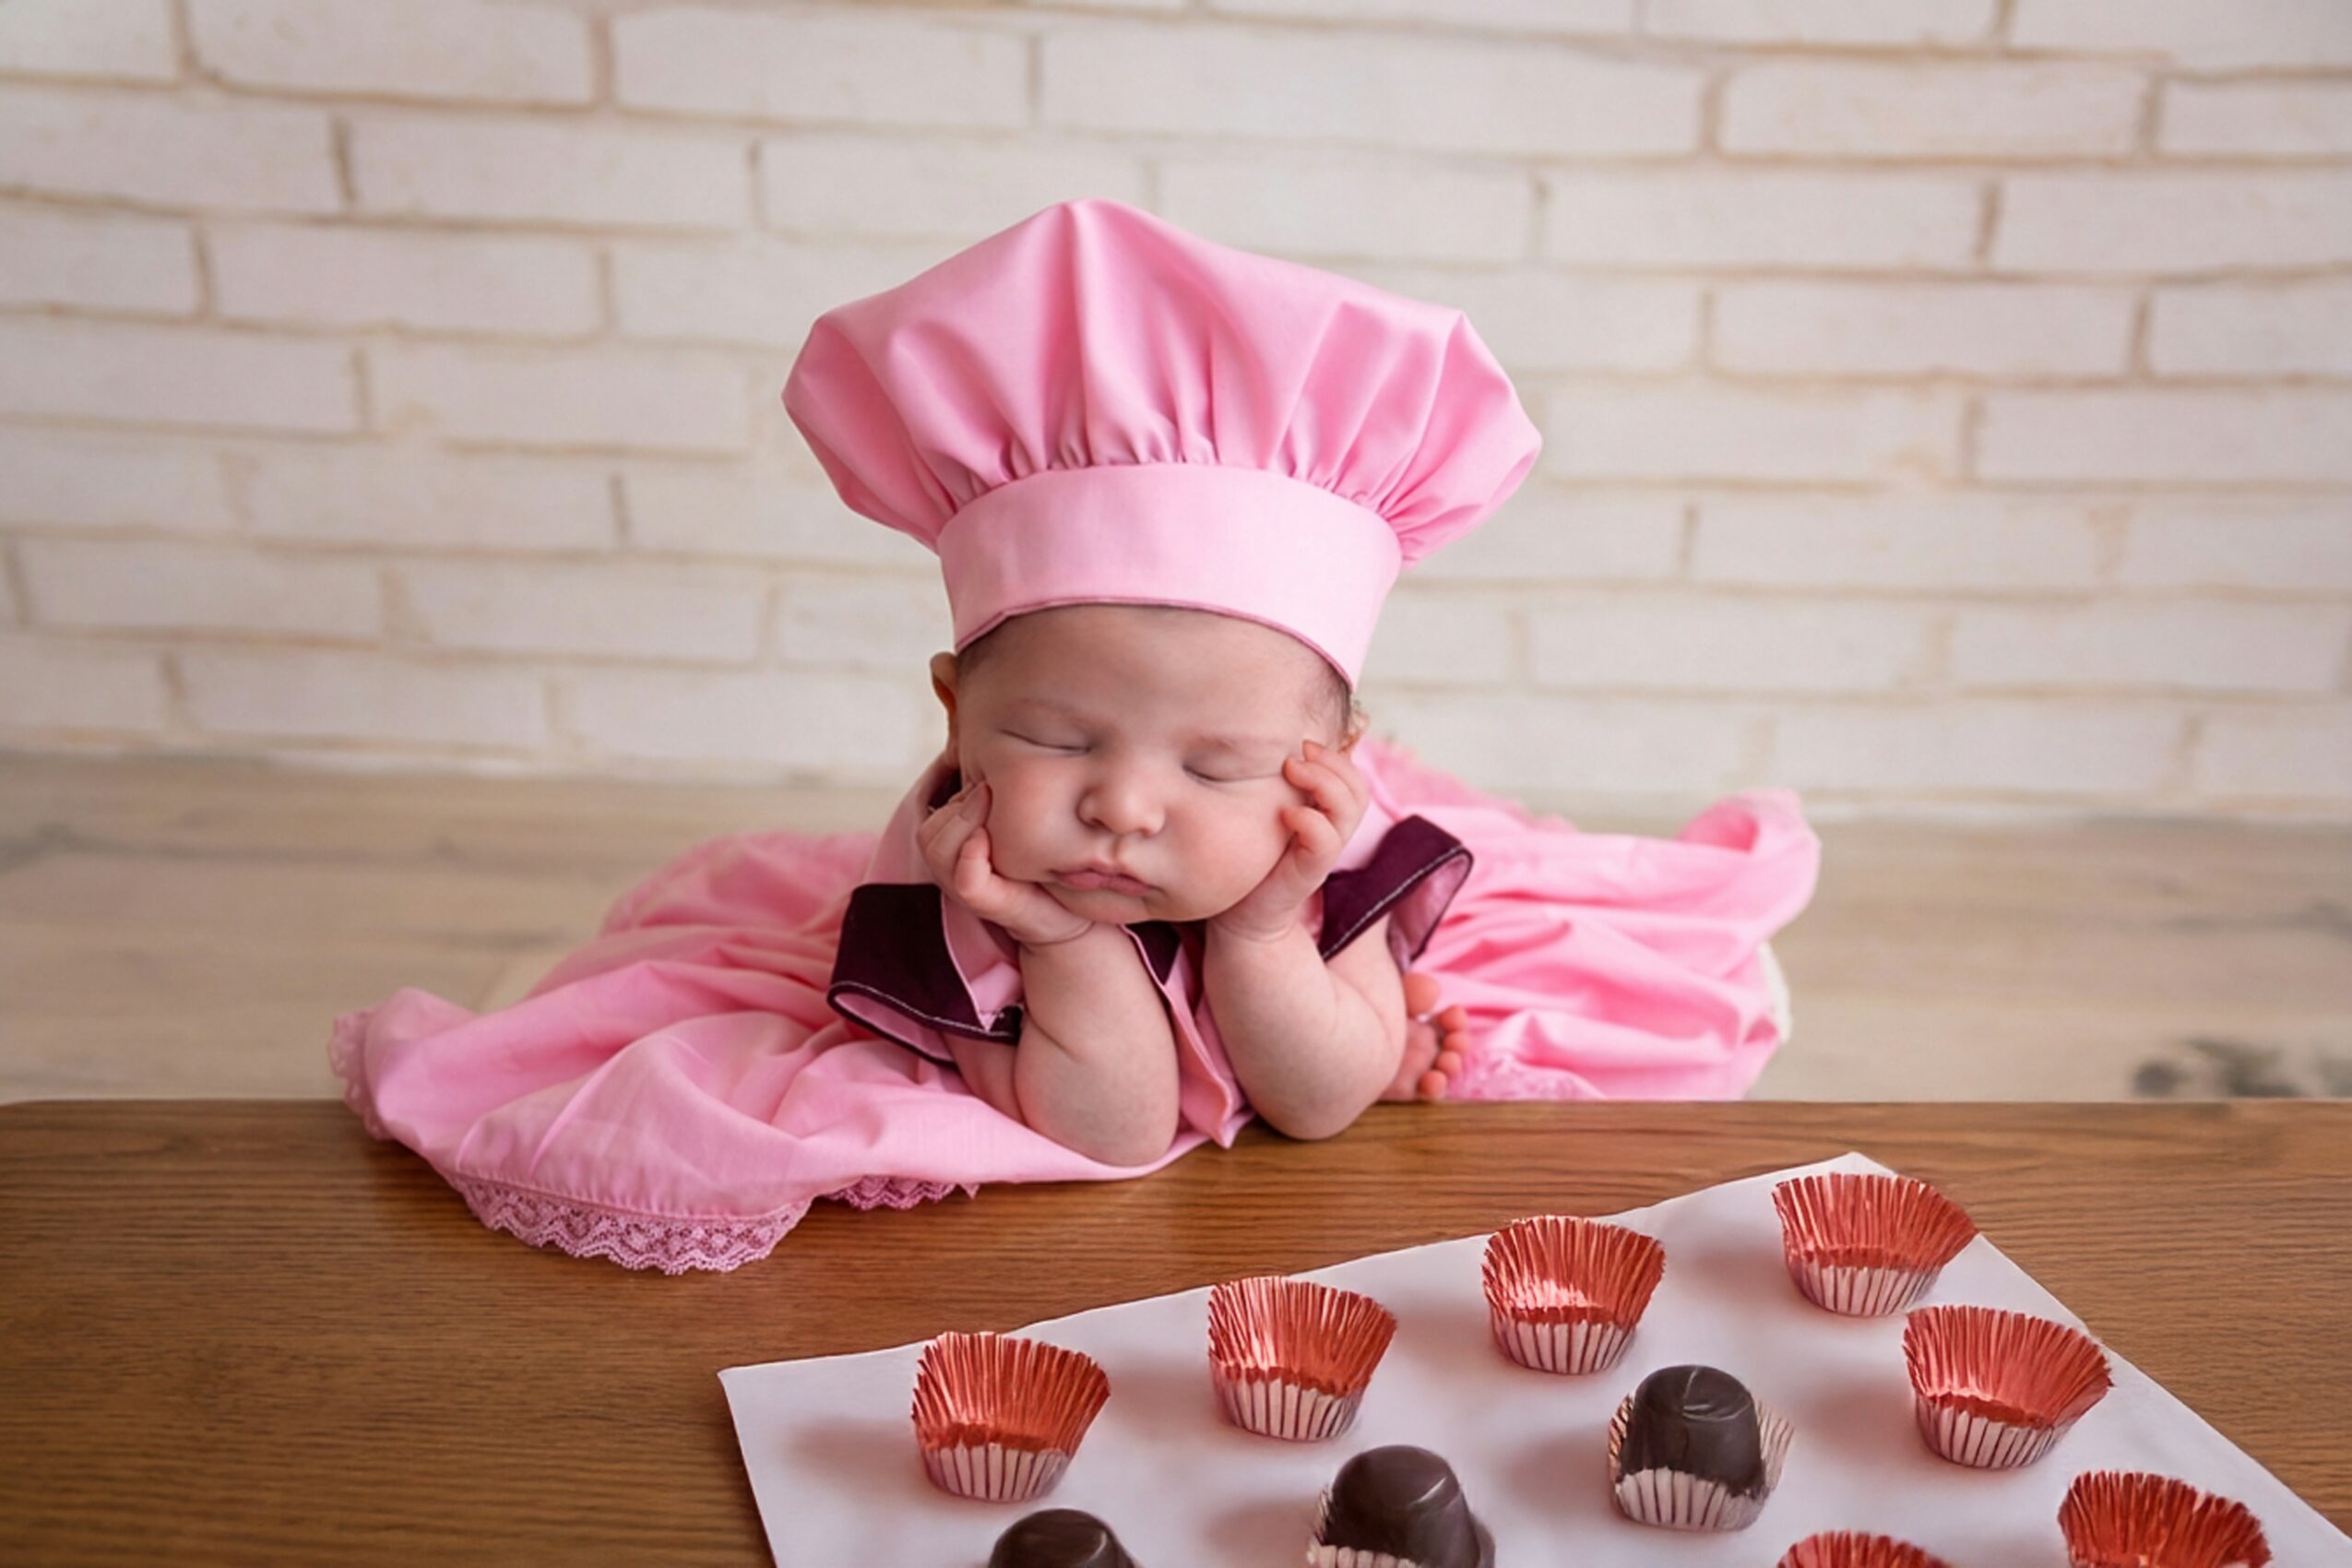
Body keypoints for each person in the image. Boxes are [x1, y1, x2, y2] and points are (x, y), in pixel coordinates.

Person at [331, 199, 1819, 1273]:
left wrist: (1260, 935)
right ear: (954, 716)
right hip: (1046, 971)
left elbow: (1310, 1106)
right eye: (1053, 739)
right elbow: (1108, 1132)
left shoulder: (1328, 857)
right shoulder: (955, 887)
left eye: (1214, 765)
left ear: (1322, 763)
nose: (1122, 808)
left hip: (1288, 914)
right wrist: (1058, 946)